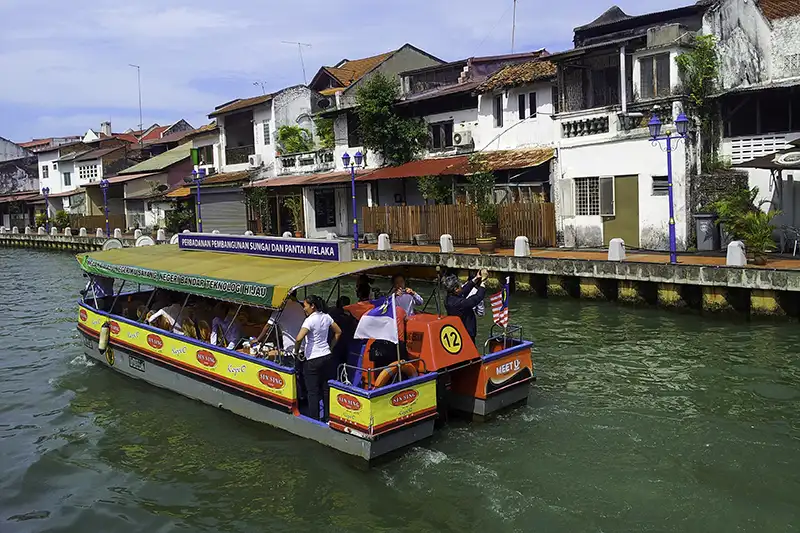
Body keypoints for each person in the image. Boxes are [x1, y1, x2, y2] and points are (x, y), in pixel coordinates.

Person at [295, 296, 342, 421]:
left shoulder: (309, 320)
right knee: (326, 389)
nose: (304, 309)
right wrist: (331, 347)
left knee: (312, 391)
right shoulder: (326, 317)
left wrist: (296, 351)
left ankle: (314, 419)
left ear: (312, 306)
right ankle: (327, 417)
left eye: (305, 306)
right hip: (326, 356)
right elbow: (338, 332)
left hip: (312, 359)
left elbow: (299, 338)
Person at [443, 269, 487, 341]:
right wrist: (483, 283)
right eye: (460, 286)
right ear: (456, 289)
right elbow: (476, 299)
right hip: (466, 333)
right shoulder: (458, 303)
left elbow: (463, 291)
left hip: (457, 330)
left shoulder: (449, 298)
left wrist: (476, 278)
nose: (461, 287)